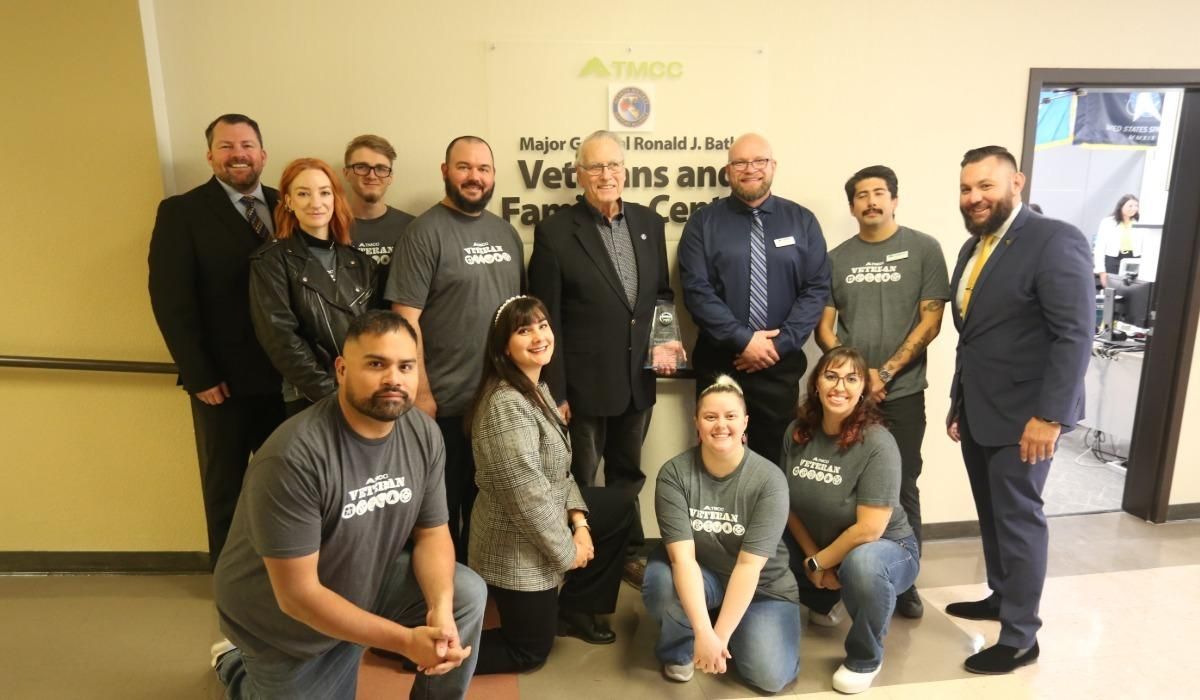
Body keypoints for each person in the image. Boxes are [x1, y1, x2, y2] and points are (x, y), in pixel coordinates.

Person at [211, 310, 486, 699]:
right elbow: (299, 597)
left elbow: (432, 534)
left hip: (360, 579)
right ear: (341, 369)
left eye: (406, 366)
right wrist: (405, 641)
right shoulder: (294, 457)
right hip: (281, 622)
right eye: (376, 364)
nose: (394, 378)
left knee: (465, 594)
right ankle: (236, 665)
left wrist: (439, 613)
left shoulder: (422, 434)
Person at [946, 145, 1093, 674]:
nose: (974, 197)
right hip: (982, 409)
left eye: (986, 186)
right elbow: (976, 338)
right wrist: (958, 401)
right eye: (966, 188)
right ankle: (1001, 596)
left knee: (1019, 520)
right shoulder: (974, 247)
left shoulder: (1053, 241)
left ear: (1017, 184)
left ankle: (1020, 635)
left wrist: (1049, 417)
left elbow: (1075, 334)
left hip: (1027, 418)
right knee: (993, 515)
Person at [528, 129, 681, 586]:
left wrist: (667, 339)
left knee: (628, 473)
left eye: (613, 166)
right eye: (595, 167)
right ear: (579, 175)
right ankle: (582, 563)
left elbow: (661, 295)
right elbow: (545, 317)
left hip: (637, 379)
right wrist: (554, 391)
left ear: (625, 171)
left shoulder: (649, 224)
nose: (606, 175)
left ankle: (627, 553)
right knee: (583, 478)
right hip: (583, 385)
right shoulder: (556, 232)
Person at [467, 295, 635, 673]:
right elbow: (528, 499)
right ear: (503, 349)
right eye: (523, 330)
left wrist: (581, 523)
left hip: (546, 518)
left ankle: (575, 608)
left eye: (542, 325)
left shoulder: (537, 388)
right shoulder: (505, 406)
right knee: (529, 652)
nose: (539, 336)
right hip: (514, 545)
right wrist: (569, 552)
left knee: (621, 507)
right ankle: (428, 648)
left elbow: (561, 472)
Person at [148, 113, 285, 569]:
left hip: (287, 378)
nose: (238, 154)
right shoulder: (182, 212)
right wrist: (198, 374)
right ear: (210, 156)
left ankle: (284, 575)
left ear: (263, 154)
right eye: (226, 146)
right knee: (226, 485)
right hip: (222, 384)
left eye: (247, 145)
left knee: (286, 481)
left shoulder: (288, 205)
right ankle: (231, 580)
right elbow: (170, 301)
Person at [815, 165, 949, 619]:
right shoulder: (836, 259)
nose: (870, 201)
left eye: (879, 193)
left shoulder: (924, 249)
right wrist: (853, 376)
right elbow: (825, 326)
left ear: (895, 199)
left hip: (904, 392)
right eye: (861, 195)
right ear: (851, 206)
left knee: (902, 484)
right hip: (844, 396)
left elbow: (931, 320)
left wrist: (885, 373)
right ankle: (837, 574)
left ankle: (904, 578)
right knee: (839, 486)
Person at [385, 135, 524, 561]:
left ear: (494, 176)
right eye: (464, 167)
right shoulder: (423, 233)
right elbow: (405, 321)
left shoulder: (507, 234)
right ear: (445, 172)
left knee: (490, 511)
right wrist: (421, 394)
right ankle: (445, 606)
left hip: (498, 404)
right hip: (443, 406)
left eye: (483, 169)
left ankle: (483, 601)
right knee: (441, 515)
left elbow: (520, 318)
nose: (474, 177)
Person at [641, 375, 801, 694]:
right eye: (710, 417)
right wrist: (703, 632)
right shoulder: (674, 474)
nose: (720, 425)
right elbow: (683, 560)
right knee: (661, 583)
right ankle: (680, 645)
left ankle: (735, 625)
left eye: (730, 416)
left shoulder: (769, 480)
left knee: (770, 677)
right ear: (697, 423)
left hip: (762, 587)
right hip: (704, 572)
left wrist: (720, 638)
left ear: (745, 423)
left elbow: (748, 567)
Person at [679, 133, 830, 460]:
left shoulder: (802, 221)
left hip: (780, 364)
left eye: (759, 161)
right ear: (728, 170)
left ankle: (772, 515)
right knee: (718, 458)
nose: (750, 169)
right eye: (740, 163)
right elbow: (696, 290)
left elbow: (816, 288)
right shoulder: (703, 223)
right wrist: (744, 340)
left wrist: (777, 345)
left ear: (773, 166)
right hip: (721, 363)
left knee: (776, 461)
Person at [781, 347, 919, 694]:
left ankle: (865, 657)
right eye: (830, 375)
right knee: (763, 543)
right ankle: (826, 600)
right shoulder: (797, 432)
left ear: (863, 390)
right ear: (815, 385)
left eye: (851, 379)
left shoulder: (877, 443)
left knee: (863, 563)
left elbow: (869, 530)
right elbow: (788, 507)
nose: (839, 386)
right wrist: (815, 560)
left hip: (887, 550)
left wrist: (818, 561)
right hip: (823, 545)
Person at [250, 158, 380, 416]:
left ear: (335, 198)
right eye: (303, 194)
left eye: (324, 192)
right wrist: (332, 394)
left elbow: (377, 331)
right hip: (310, 397)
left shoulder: (362, 263)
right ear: (288, 201)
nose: (316, 203)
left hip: (364, 391)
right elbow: (281, 339)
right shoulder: (271, 261)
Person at [343, 134, 416, 273]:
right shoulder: (330, 227)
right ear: (346, 173)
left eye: (381, 168)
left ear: (390, 177)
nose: (371, 175)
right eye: (362, 167)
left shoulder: (412, 228)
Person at [1094, 194, 1142, 287]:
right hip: (1113, 259)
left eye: (1136, 206)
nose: (1134, 208)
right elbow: (1099, 247)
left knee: (1131, 289)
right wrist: (1101, 271)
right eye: (1130, 206)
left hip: (1133, 259)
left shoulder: (1140, 222)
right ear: (1121, 206)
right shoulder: (1108, 222)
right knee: (1112, 288)